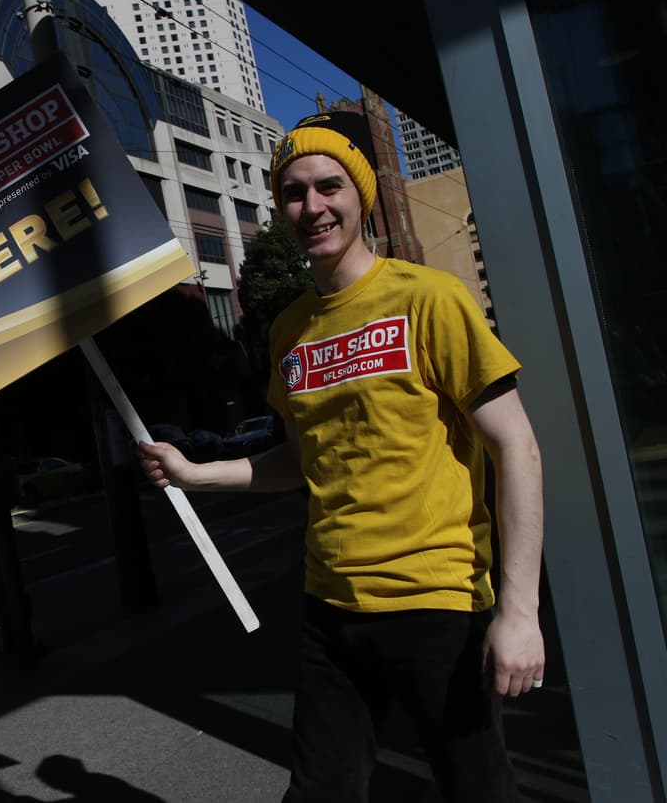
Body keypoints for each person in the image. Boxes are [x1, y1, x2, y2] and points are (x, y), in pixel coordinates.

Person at [139, 111, 545, 803]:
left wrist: (519, 610)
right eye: (293, 192)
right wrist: (194, 472)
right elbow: (298, 460)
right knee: (319, 791)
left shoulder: (428, 299)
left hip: (437, 599)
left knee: (477, 789)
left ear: (360, 194)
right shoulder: (290, 329)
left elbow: (518, 447)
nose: (312, 206)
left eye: (330, 186)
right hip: (330, 608)